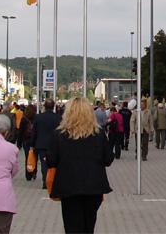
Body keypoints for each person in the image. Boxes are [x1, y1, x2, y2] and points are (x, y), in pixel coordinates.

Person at [47, 97, 114, 234]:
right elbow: (108, 159)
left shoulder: (60, 134)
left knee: (72, 226)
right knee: (89, 225)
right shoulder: (98, 134)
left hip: (68, 186)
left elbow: (51, 161)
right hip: (93, 186)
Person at [30, 98, 62, 188]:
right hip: (54, 144)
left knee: (44, 164)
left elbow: (34, 132)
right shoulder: (58, 118)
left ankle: (45, 182)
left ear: (44, 106)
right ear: (53, 107)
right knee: (54, 163)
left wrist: (32, 145)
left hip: (41, 144)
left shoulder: (38, 117)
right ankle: (53, 181)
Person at [17, 104, 37, 181]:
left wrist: (19, 144)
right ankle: (34, 171)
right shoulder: (36, 119)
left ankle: (28, 174)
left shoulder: (24, 119)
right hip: (34, 140)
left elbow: (20, 132)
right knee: (34, 157)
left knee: (27, 157)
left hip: (25, 140)